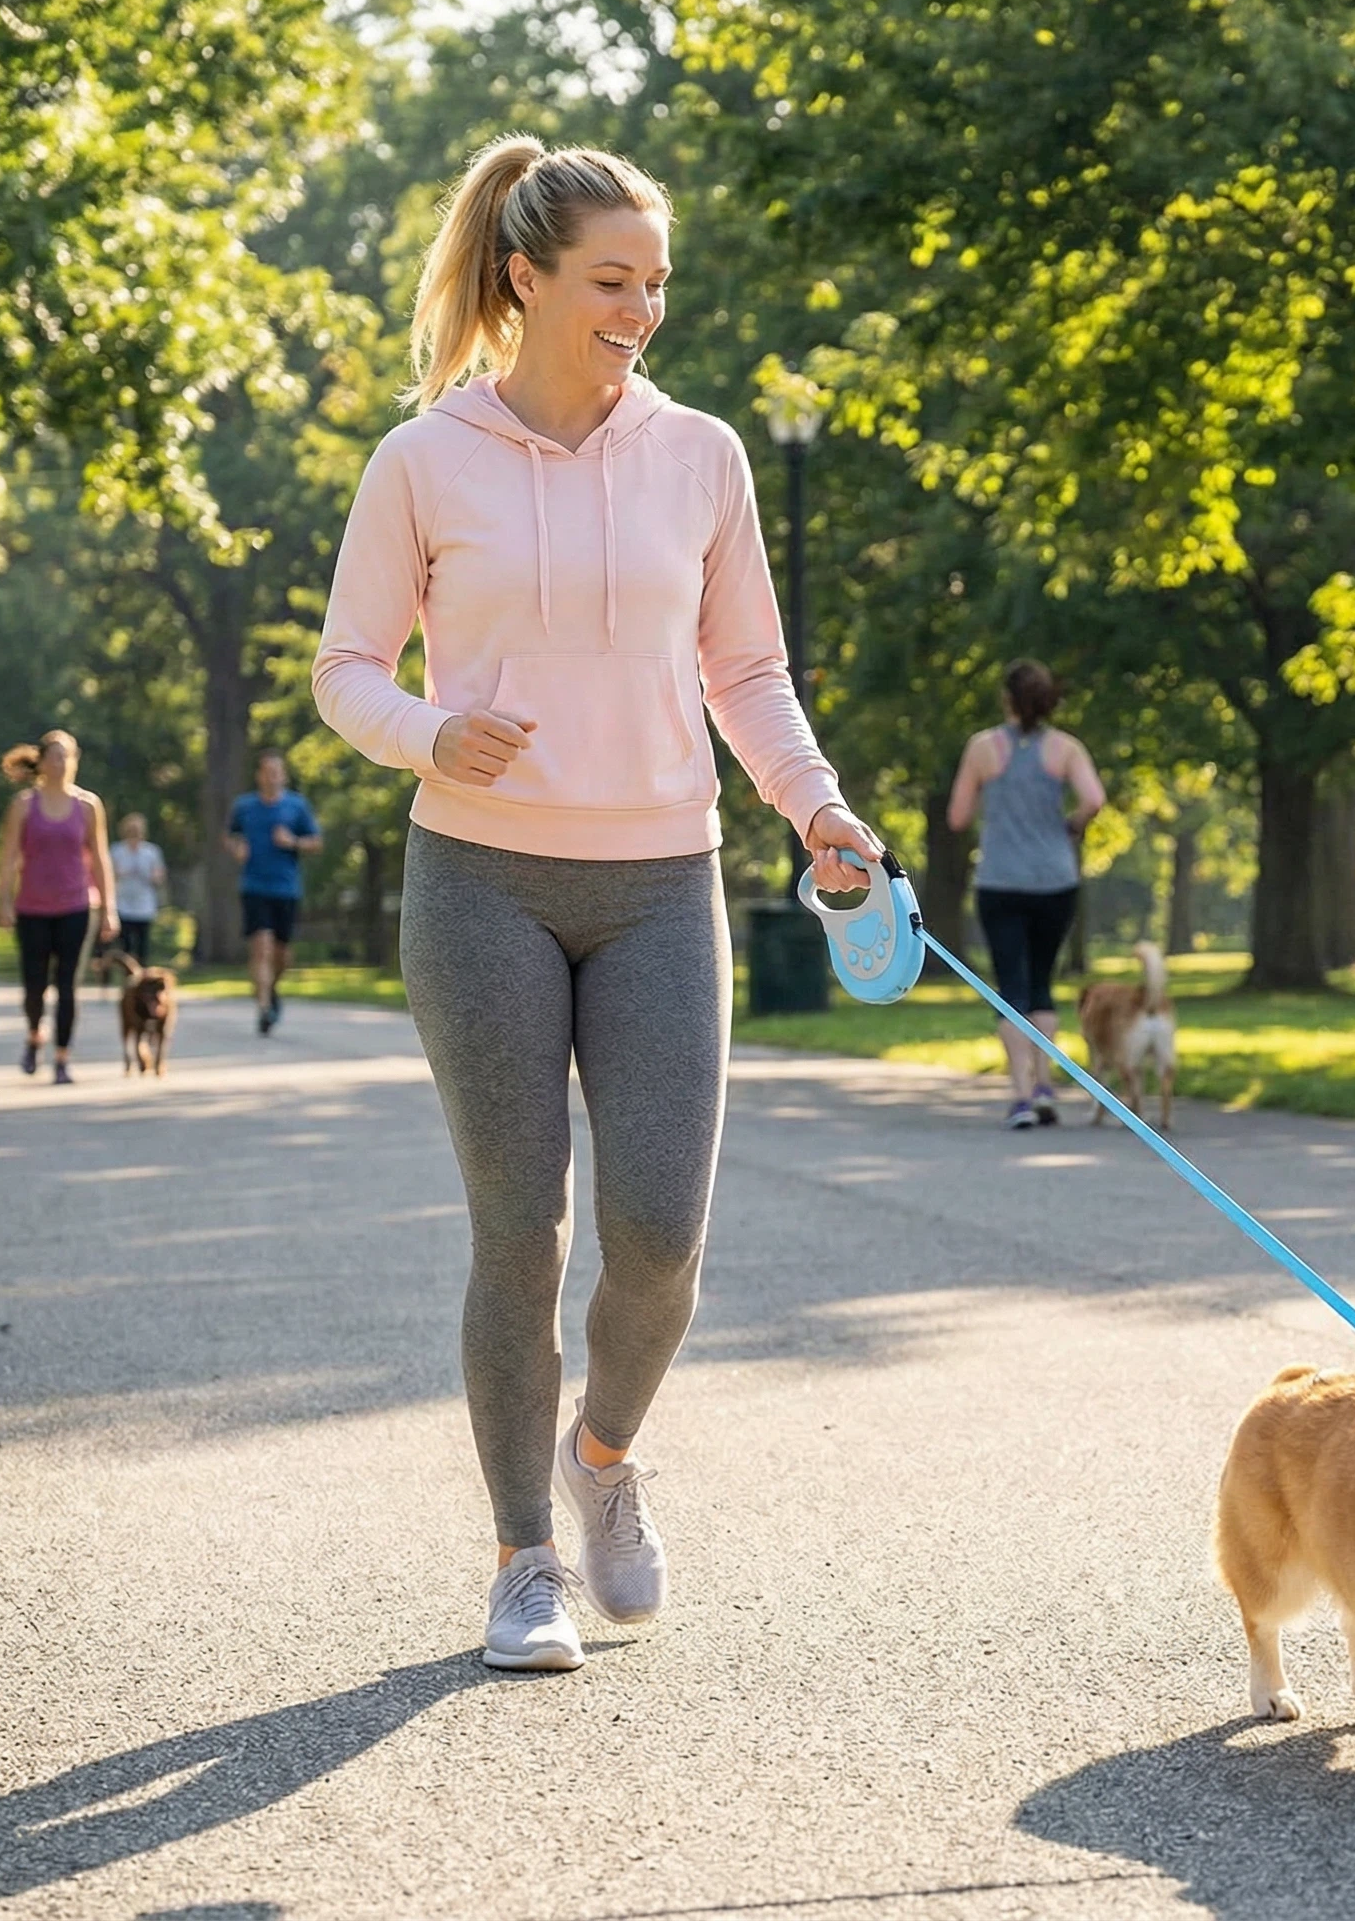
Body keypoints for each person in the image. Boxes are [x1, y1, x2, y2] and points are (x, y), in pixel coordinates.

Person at [313, 137, 883, 1673]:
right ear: (527, 278)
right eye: (611, 282)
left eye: (656, 283)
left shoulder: (702, 455)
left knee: (659, 1233)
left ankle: (607, 1456)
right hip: (480, 876)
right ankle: (520, 1559)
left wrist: (816, 807)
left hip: (658, 877)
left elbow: (744, 673)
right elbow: (345, 670)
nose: (641, 310)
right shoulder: (424, 459)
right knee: (521, 1229)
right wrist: (435, 734)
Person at [946, 659, 1106, 1129]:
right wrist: (1071, 826)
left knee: (1009, 989)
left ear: (1007, 700)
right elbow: (1094, 799)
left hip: (1000, 880)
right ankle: (1043, 1084)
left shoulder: (982, 748)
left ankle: (1019, 1096)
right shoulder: (1065, 749)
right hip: (1055, 881)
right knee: (1041, 985)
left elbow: (957, 817)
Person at [0, 730, 118, 1084]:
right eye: (54, 756)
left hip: (77, 905)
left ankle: (62, 1058)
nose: (60, 763)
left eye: (67, 756)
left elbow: (99, 858)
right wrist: (4, 901)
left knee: (68, 985)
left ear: (75, 761)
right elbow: (7, 859)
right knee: (34, 985)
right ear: (42, 762)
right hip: (32, 907)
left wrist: (109, 907)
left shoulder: (88, 806)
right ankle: (36, 1035)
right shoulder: (22, 806)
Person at [227, 751, 322, 1034]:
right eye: (266, 771)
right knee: (261, 946)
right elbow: (231, 835)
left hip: (286, 887)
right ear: (259, 775)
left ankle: (271, 987)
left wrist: (292, 842)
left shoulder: (296, 806)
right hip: (254, 886)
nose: (271, 776)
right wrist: (237, 848)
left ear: (283, 775)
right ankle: (264, 1008)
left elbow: (316, 842)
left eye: (276, 771)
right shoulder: (244, 806)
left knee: (282, 954)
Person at [109, 813, 168, 970]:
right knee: (126, 943)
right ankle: (127, 974)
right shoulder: (117, 851)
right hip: (123, 902)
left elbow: (159, 875)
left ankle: (143, 974)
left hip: (144, 903)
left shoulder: (151, 851)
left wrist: (154, 876)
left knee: (143, 944)